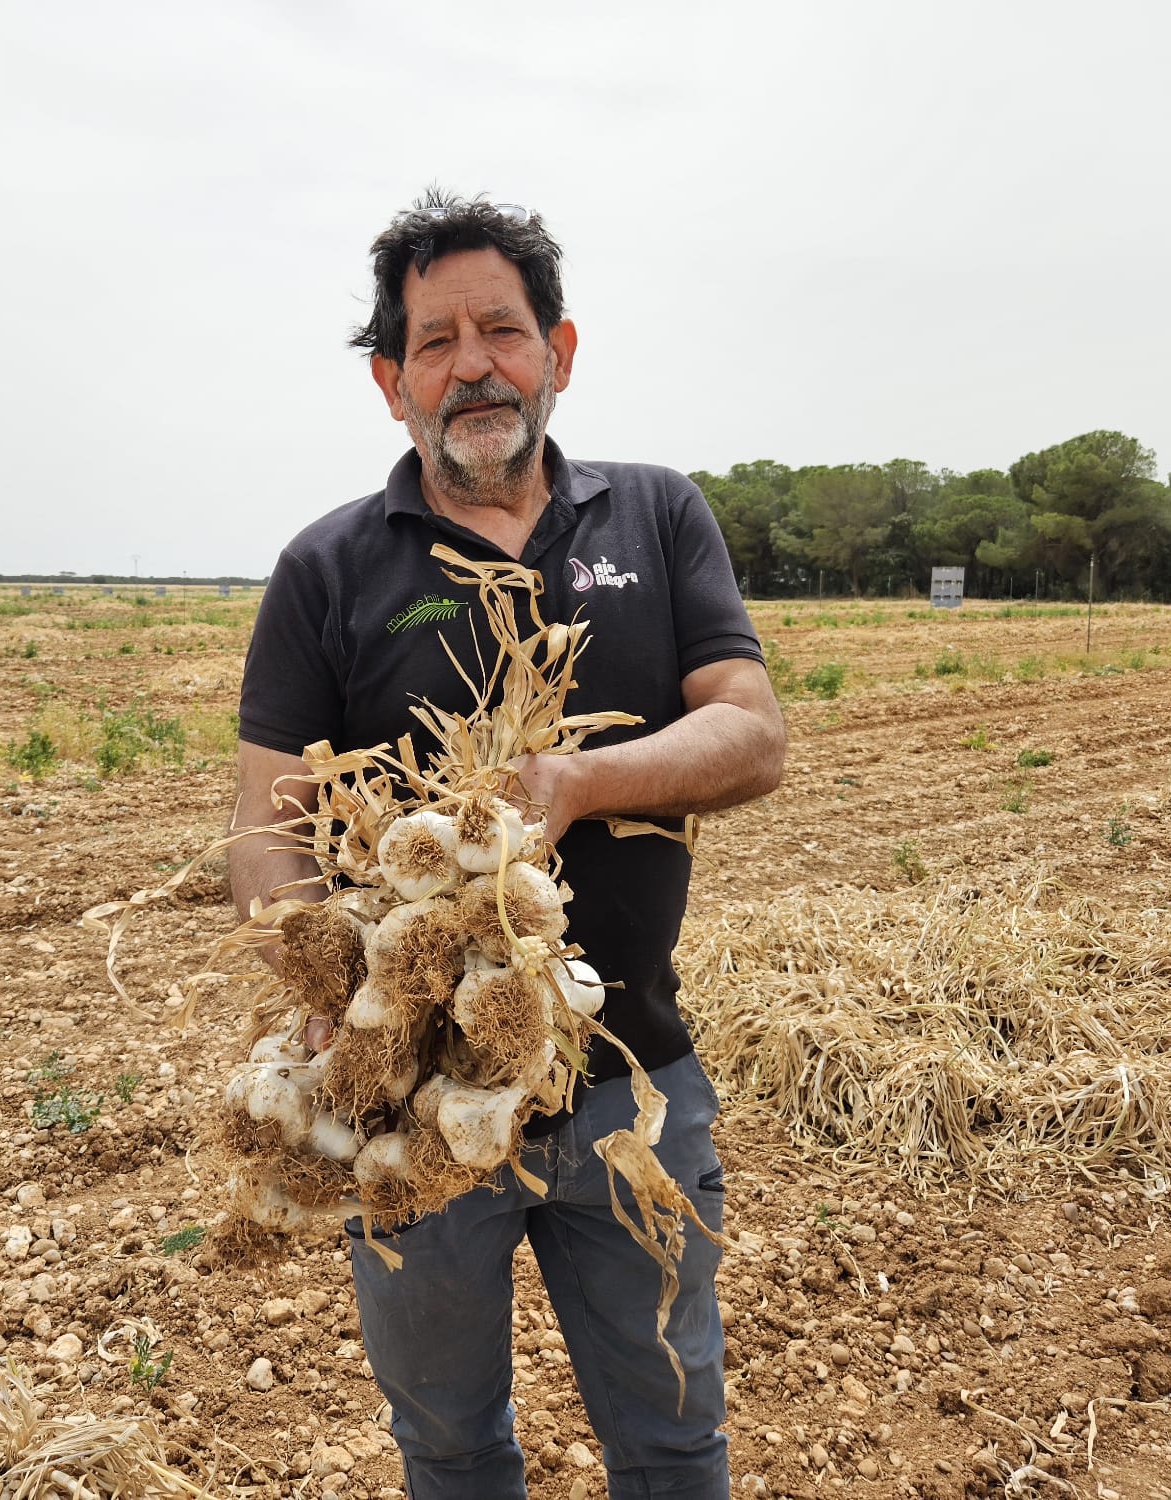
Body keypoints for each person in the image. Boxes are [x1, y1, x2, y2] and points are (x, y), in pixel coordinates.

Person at [228, 191, 786, 1500]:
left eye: (502, 330)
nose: (473, 365)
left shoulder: (654, 517)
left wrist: (577, 782)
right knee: (450, 1448)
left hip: (630, 1083)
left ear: (560, 353)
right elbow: (267, 827)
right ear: (390, 380)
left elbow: (752, 736)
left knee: (672, 1442)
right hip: (417, 1113)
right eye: (435, 341)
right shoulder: (326, 569)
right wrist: (332, 991)